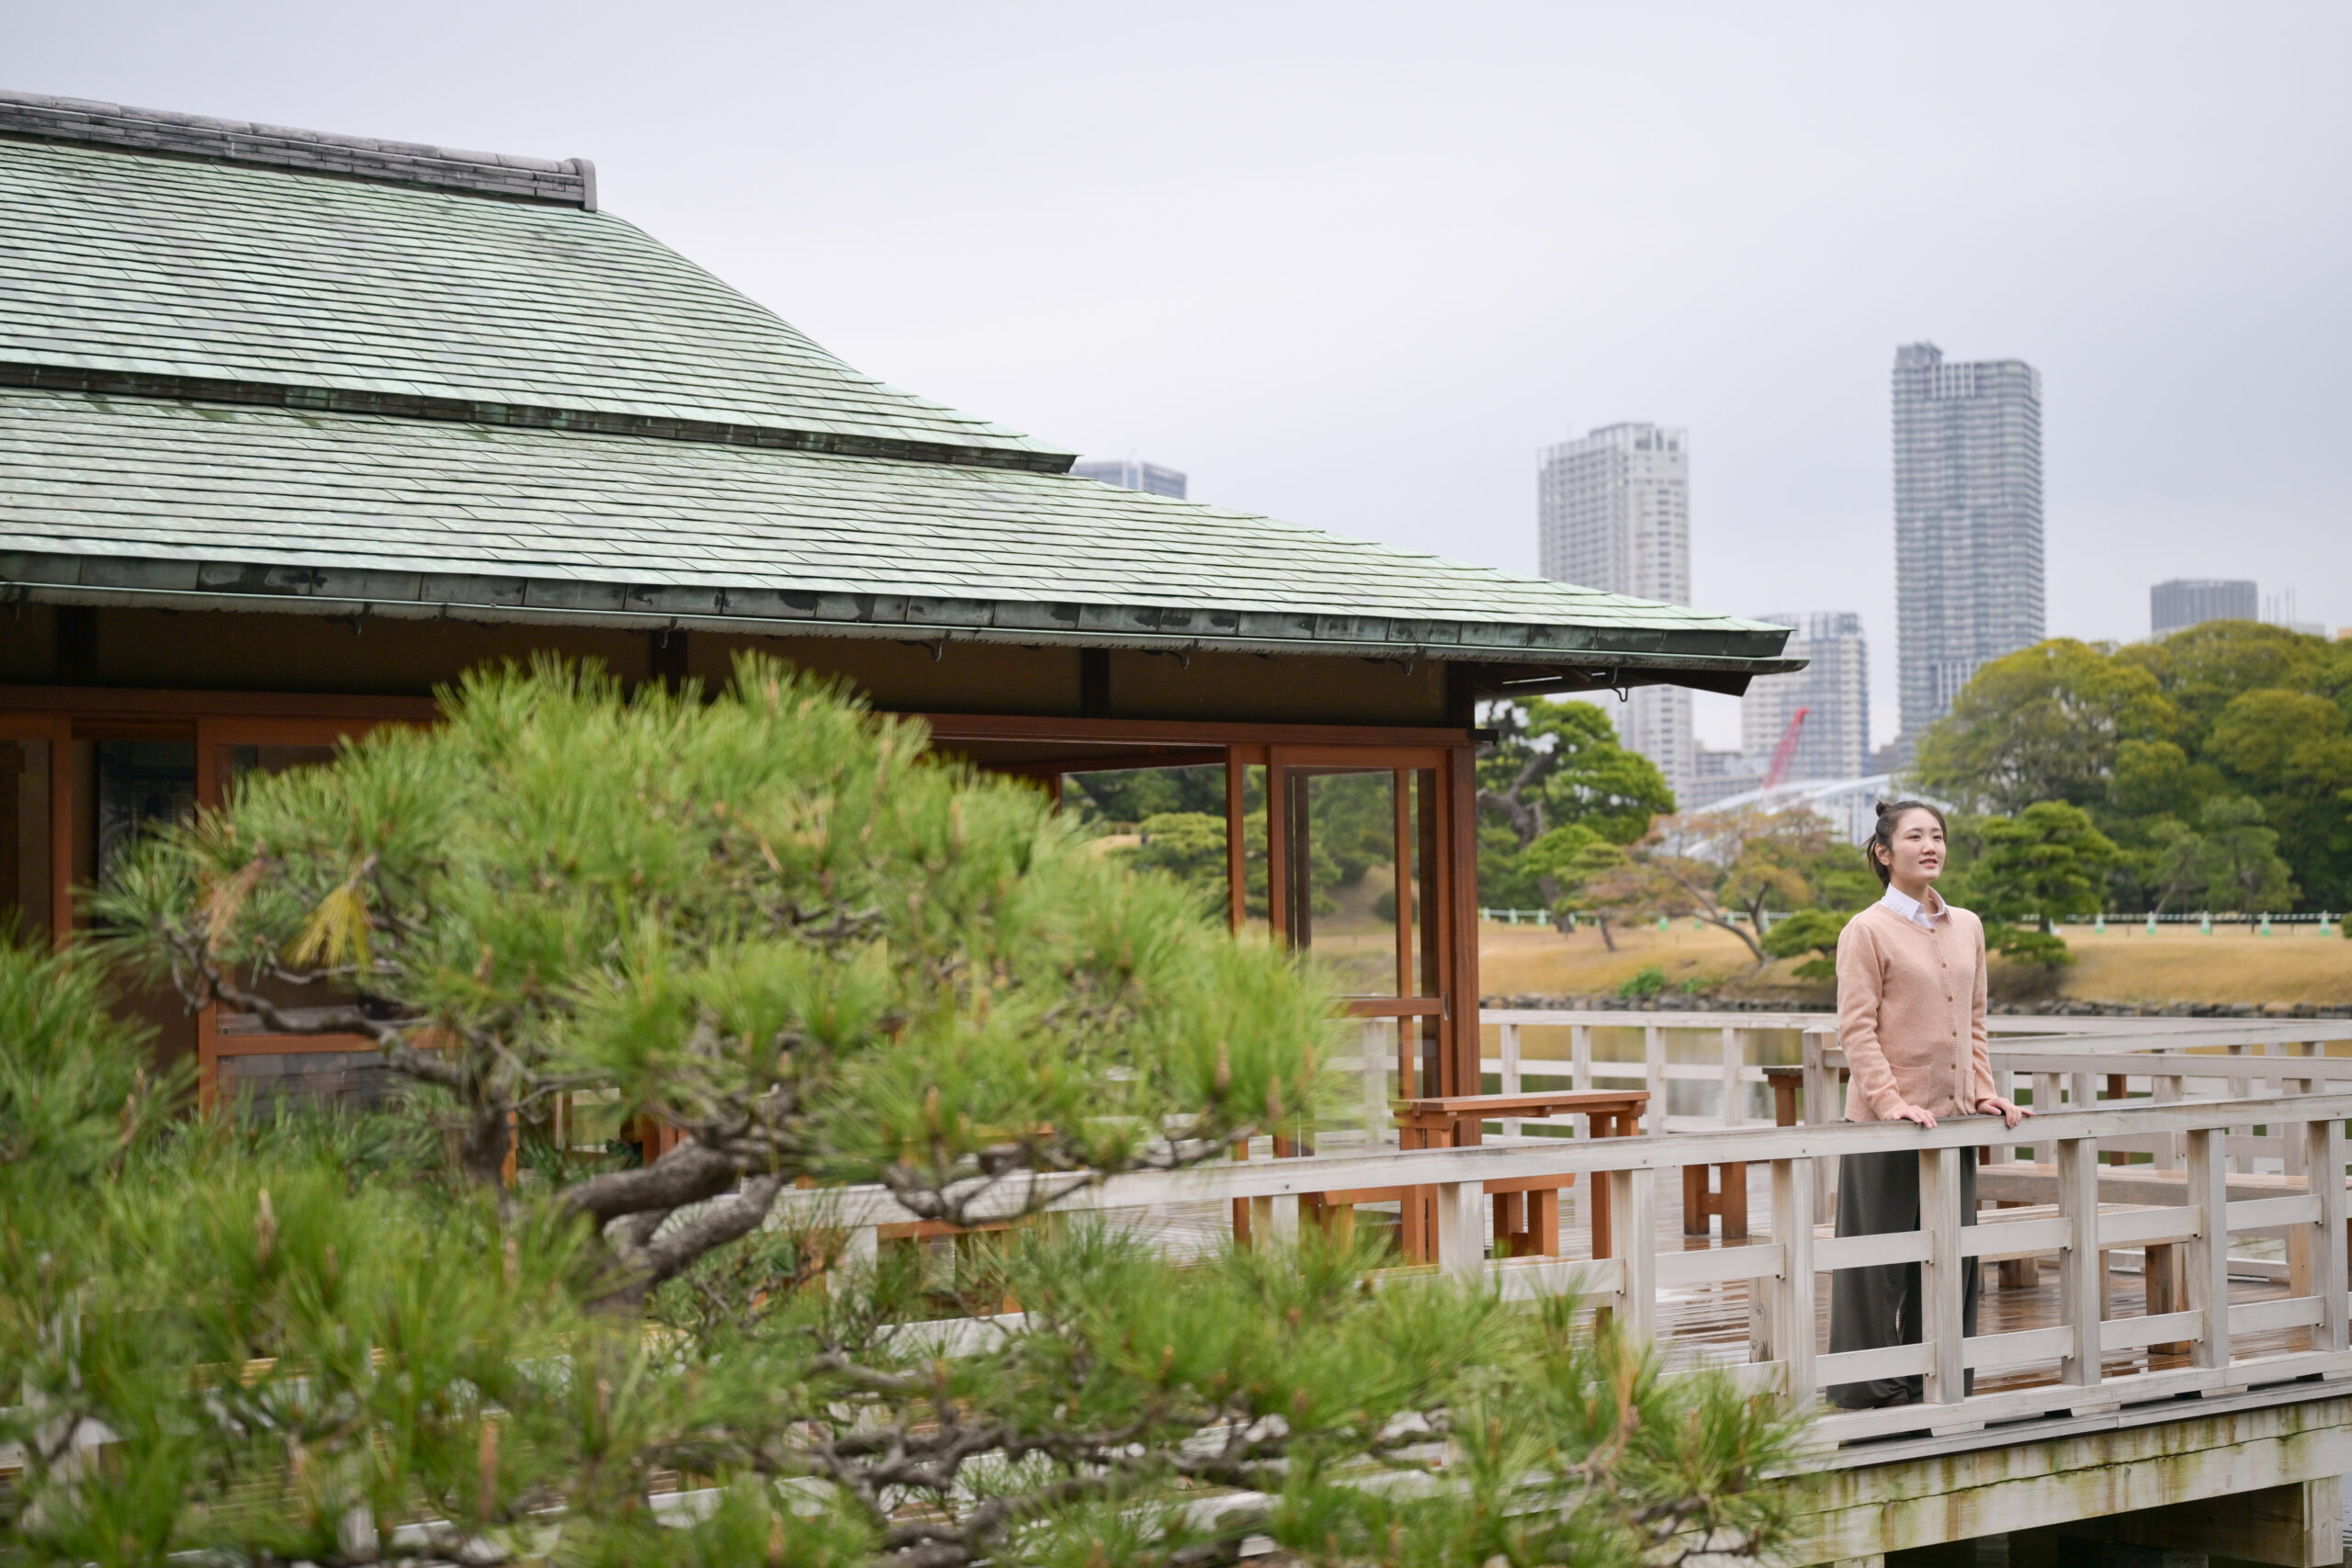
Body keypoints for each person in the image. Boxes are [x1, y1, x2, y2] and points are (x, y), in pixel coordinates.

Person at [1825, 798, 2030, 1410]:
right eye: (1915, 836)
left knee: (1949, 1256)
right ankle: (1867, 1389)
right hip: (1884, 1127)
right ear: (1885, 854)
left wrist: (1984, 1090)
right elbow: (1856, 1031)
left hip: (1952, 1122)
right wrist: (1891, 1104)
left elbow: (1974, 1020)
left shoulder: (1967, 924)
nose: (1930, 845)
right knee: (1874, 1263)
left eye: (1937, 834)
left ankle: (1939, 1380)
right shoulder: (1865, 930)